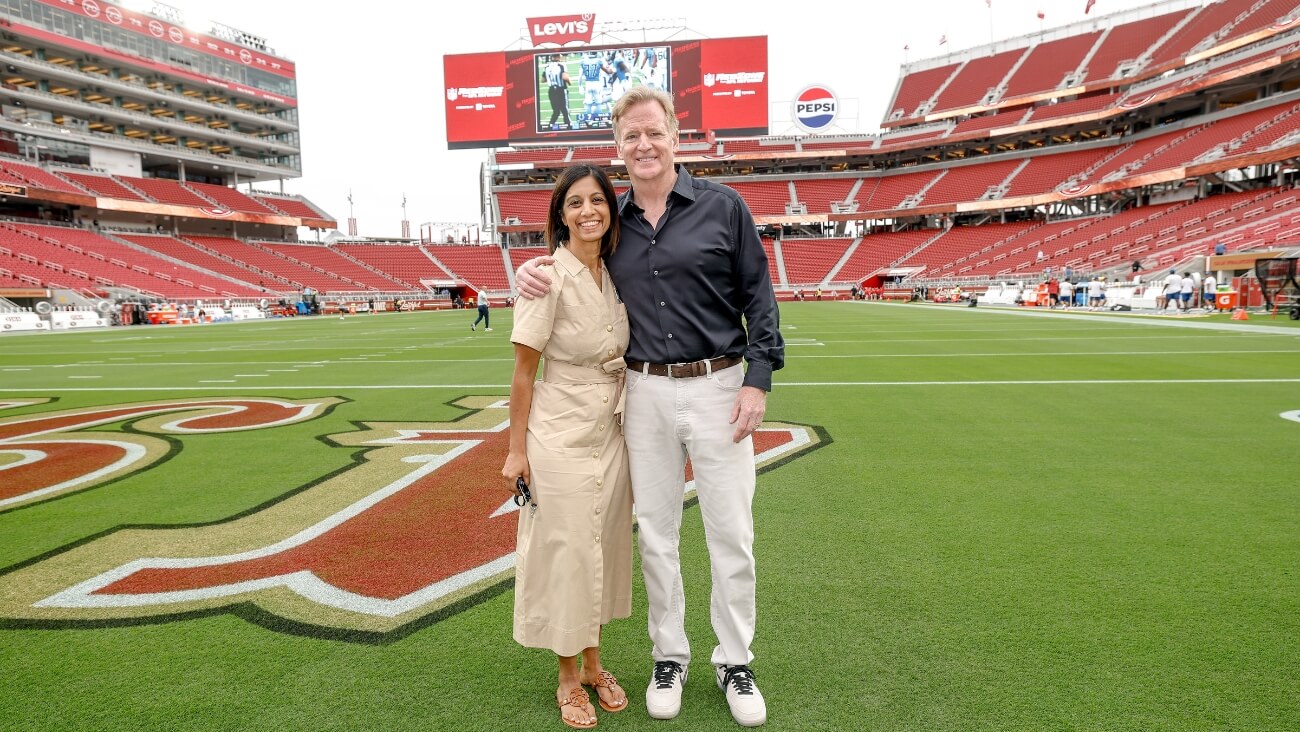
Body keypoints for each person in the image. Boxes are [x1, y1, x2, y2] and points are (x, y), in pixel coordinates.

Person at [515, 85, 782, 728]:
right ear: (618, 145)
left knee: (731, 533)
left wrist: (759, 377)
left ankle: (734, 659)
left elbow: (759, 296)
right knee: (657, 534)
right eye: (630, 136)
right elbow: (570, 263)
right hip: (644, 391)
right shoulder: (612, 224)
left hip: (720, 385)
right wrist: (527, 270)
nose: (643, 145)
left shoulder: (724, 207)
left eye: (653, 132)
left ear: (675, 134)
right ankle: (671, 654)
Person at [502, 163, 633, 730]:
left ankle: (595, 663)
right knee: (567, 550)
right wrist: (515, 451)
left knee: (602, 546)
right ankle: (565, 674)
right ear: (560, 214)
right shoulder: (545, 277)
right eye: (575, 203)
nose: (588, 212)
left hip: (611, 426)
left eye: (597, 201)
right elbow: (523, 374)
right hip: (557, 430)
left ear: (610, 209)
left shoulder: (615, 272)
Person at [543, 55, 572, 130]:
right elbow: (565, 77)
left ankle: (550, 125)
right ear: (558, 57)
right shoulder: (562, 65)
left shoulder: (547, 66)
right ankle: (569, 126)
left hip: (551, 91)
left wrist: (551, 78)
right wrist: (569, 82)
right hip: (561, 90)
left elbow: (543, 80)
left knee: (556, 111)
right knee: (565, 110)